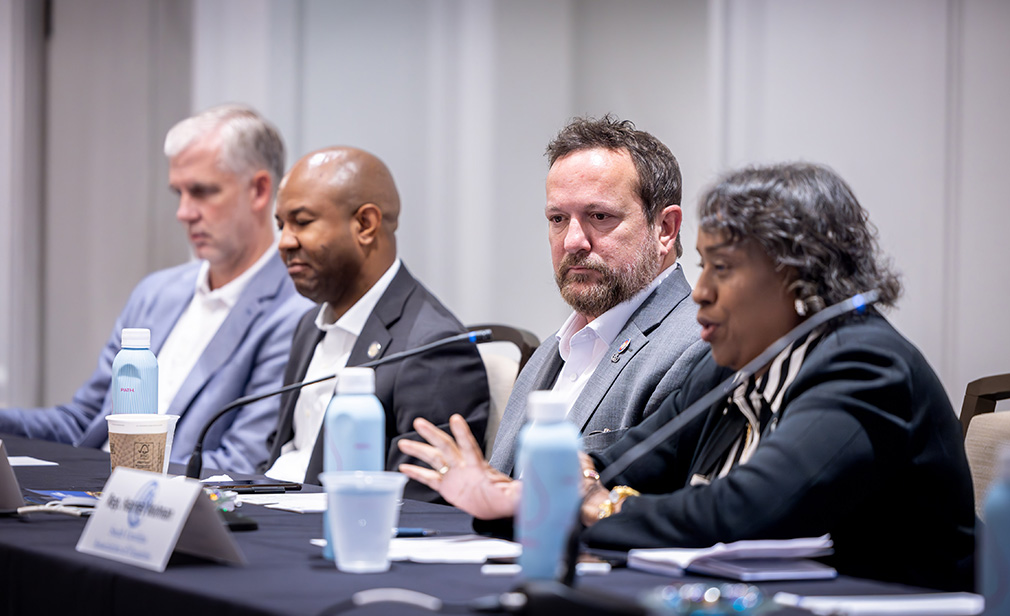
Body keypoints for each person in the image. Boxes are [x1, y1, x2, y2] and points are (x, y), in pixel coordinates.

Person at [399, 162, 975, 591]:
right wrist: (520, 497)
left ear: (798, 277)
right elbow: (623, 462)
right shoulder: (727, 366)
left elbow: (744, 511)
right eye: (703, 266)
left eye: (721, 269)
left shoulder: (864, 366)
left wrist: (596, 505)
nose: (699, 292)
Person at [0, 105, 313, 474]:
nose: (184, 212)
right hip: (88, 492)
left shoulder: (294, 314)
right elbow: (85, 422)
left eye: (201, 191)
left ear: (260, 191)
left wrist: (108, 479)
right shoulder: (156, 293)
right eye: (178, 193)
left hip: (166, 507)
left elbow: (240, 464)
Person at [263, 146, 489, 501]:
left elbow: (417, 504)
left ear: (365, 225)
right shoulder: (309, 326)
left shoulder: (434, 348)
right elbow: (279, 453)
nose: (284, 242)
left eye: (302, 222)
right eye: (280, 225)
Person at [488, 116, 707, 475]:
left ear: (665, 229)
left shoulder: (695, 346)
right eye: (558, 218)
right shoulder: (551, 350)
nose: (573, 241)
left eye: (599, 215)